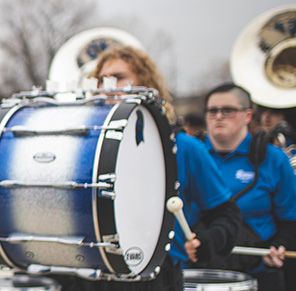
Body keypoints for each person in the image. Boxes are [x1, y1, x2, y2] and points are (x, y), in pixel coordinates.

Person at [49, 46, 241, 291]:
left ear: (145, 84)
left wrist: (210, 240)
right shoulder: (82, 151)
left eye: (118, 77)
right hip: (89, 277)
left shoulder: (183, 148)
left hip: (155, 278)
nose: (108, 85)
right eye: (101, 80)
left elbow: (227, 214)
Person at [203, 83, 296, 290]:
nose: (218, 116)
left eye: (227, 110)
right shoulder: (193, 155)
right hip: (201, 269)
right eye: (212, 111)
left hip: (258, 273)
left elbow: (291, 219)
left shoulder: (274, 159)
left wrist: (280, 247)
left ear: (247, 115)